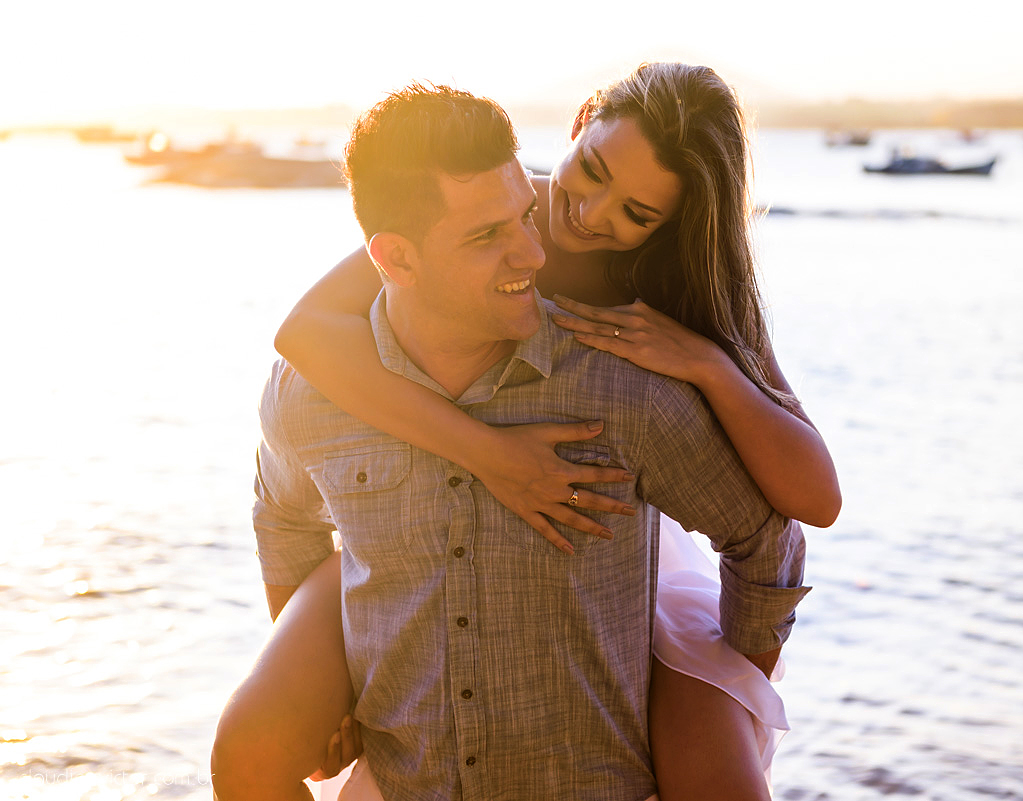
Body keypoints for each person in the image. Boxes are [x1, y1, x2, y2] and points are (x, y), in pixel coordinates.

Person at [213, 64, 836, 801]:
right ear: (579, 123)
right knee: (249, 748)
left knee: (710, 763)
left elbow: (810, 502)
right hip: (422, 516)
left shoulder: (682, 291)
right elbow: (304, 334)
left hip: (624, 542)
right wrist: (489, 454)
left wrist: (708, 363)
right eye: (592, 170)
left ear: (671, 222)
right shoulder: (510, 199)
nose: (586, 215)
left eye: (636, 212)